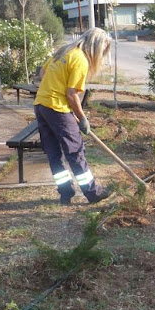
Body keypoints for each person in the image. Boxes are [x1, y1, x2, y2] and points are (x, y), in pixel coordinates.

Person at [34, 27, 112, 205]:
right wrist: (82, 118)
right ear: (95, 47)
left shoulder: (64, 51)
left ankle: (65, 192)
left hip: (41, 105)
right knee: (75, 151)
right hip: (57, 108)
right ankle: (92, 193)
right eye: (102, 52)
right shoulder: (81, 60)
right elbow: (71, 94)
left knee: (54, 152)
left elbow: (42, 73)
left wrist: (55, 86)